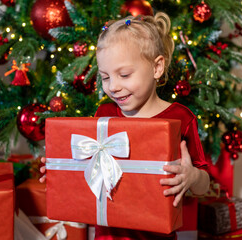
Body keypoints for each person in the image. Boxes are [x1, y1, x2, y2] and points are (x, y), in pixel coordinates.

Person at [41, 12, 210, 240]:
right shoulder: (104, 114)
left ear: (157, 67)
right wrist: (60, 170)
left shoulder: (181, 118)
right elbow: (91, 172)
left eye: (124, 74)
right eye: (106, 77)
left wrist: (192, 177)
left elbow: (205, 184)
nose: (114, 87)